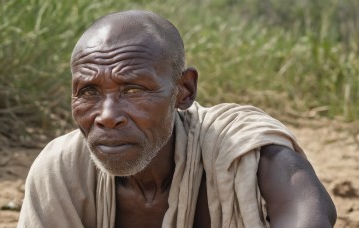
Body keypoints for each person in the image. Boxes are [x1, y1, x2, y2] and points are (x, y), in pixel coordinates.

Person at [18, 10, 336, 228]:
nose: (107, 116)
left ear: (183, 90)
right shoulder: (61, 171)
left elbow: (309, 212)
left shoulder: (243, 149)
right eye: (89, 92)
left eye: (133, 90)